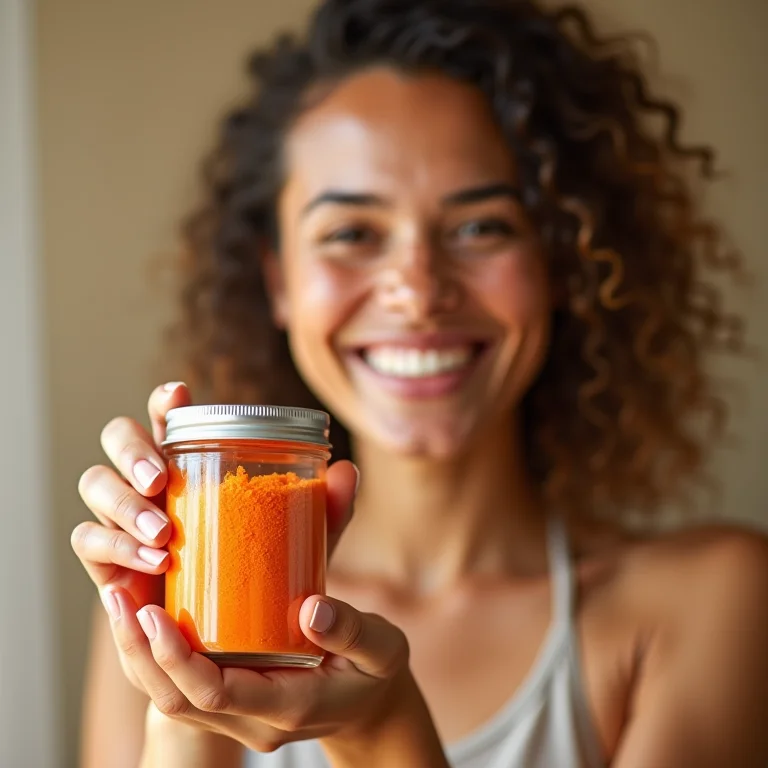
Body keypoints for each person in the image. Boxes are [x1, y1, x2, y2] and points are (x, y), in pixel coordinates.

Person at [72, 0, 768, 766]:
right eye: (352, 234)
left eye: (481, 227)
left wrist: (380, 728)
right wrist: (188, 697)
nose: (418, 289)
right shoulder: (173, 608)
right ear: (278, 281)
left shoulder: (710, 601)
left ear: (559, 264)